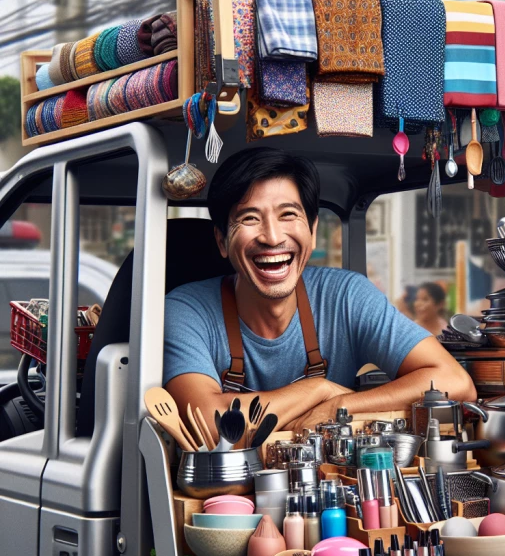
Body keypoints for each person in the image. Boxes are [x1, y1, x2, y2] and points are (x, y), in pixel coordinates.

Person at [163, 147, 475, 437]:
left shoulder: (346, 297)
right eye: (249, 218)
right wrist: (318, 391)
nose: (272, 237)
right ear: (221, 241)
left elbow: (455, 383)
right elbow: (206, 424)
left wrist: (339, 407)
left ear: (312, 232)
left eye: (288, 215)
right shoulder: (185, 311)